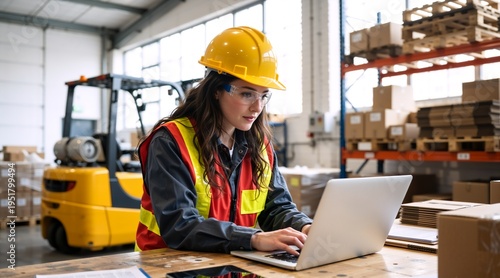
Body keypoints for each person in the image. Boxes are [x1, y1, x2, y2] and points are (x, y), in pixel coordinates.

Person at [135, 26, 312, 256]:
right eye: (247, 93)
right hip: (171, 269)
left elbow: (276, 208)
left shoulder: (260, 147)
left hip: (230, 268)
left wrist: (306, 227)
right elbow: (180, 225)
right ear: (216, 89)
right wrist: (254, 238)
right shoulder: (171, 142)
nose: (258, 107)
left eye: (263, 95)